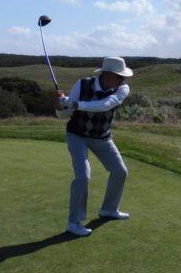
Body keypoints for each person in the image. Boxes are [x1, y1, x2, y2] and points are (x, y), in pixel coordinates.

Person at [56, 57, 133, 236]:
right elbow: (63, 115)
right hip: (77, 135)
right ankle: (74, 223)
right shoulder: (82, 85)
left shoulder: (123, 88)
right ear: (107, 74)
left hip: (102, 138)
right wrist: (60, 105)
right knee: (83, 177)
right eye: (120, 76)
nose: (124, 79)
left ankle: (109, 209)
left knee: (120, 172)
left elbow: (104, 105)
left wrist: (74, 103)